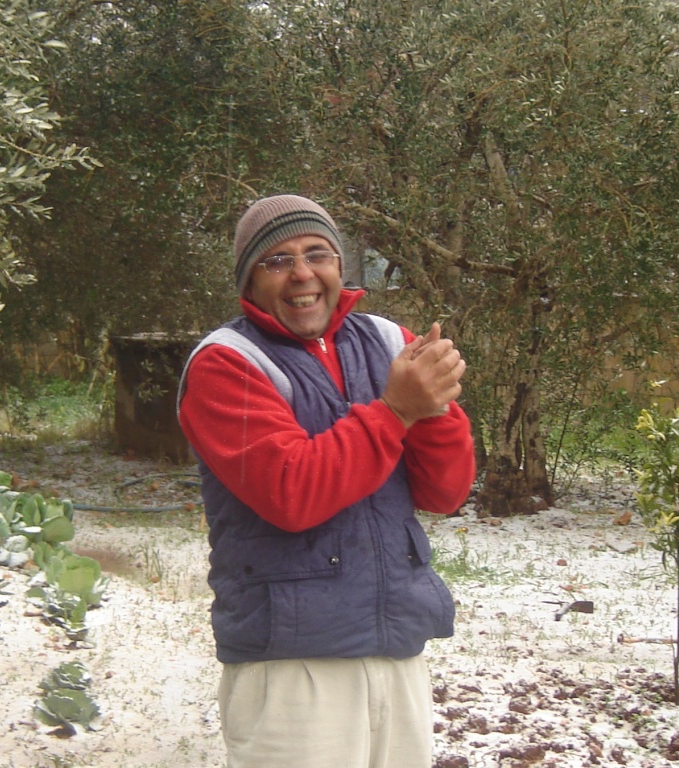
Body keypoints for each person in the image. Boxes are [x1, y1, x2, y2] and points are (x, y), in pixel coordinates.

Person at [176, 194, 476, 768]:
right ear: (249, 280)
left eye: (318, 254)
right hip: (291, 662)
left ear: (341, 267)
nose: (303, 274)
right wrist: (395, 411)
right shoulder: (226, 363)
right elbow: (293, 493)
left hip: (395, 647)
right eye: (278, 261)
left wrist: (432, 408)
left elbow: (446, 492)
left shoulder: (389, 343)